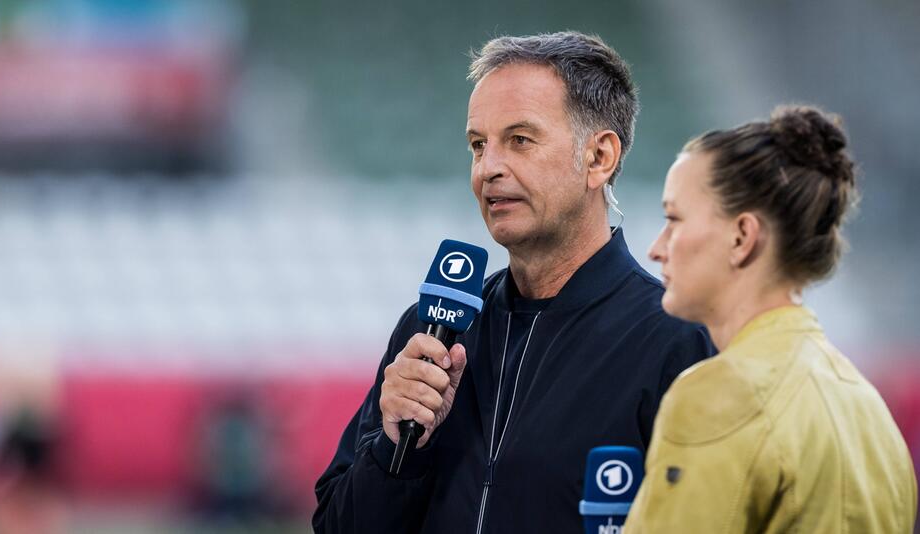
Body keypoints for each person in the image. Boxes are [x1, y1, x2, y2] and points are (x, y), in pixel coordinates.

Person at [313, 31, 713, 534]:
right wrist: (397, 450)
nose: (488, 168)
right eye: (478, 145)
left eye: (519, 140)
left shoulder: (676, 342)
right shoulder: (430, 331)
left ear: (599, 158)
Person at [625, 106, 918, 532]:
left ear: (742, 237)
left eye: (673, 219)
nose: (656, 247)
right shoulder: (867, 405)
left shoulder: (717, 394)